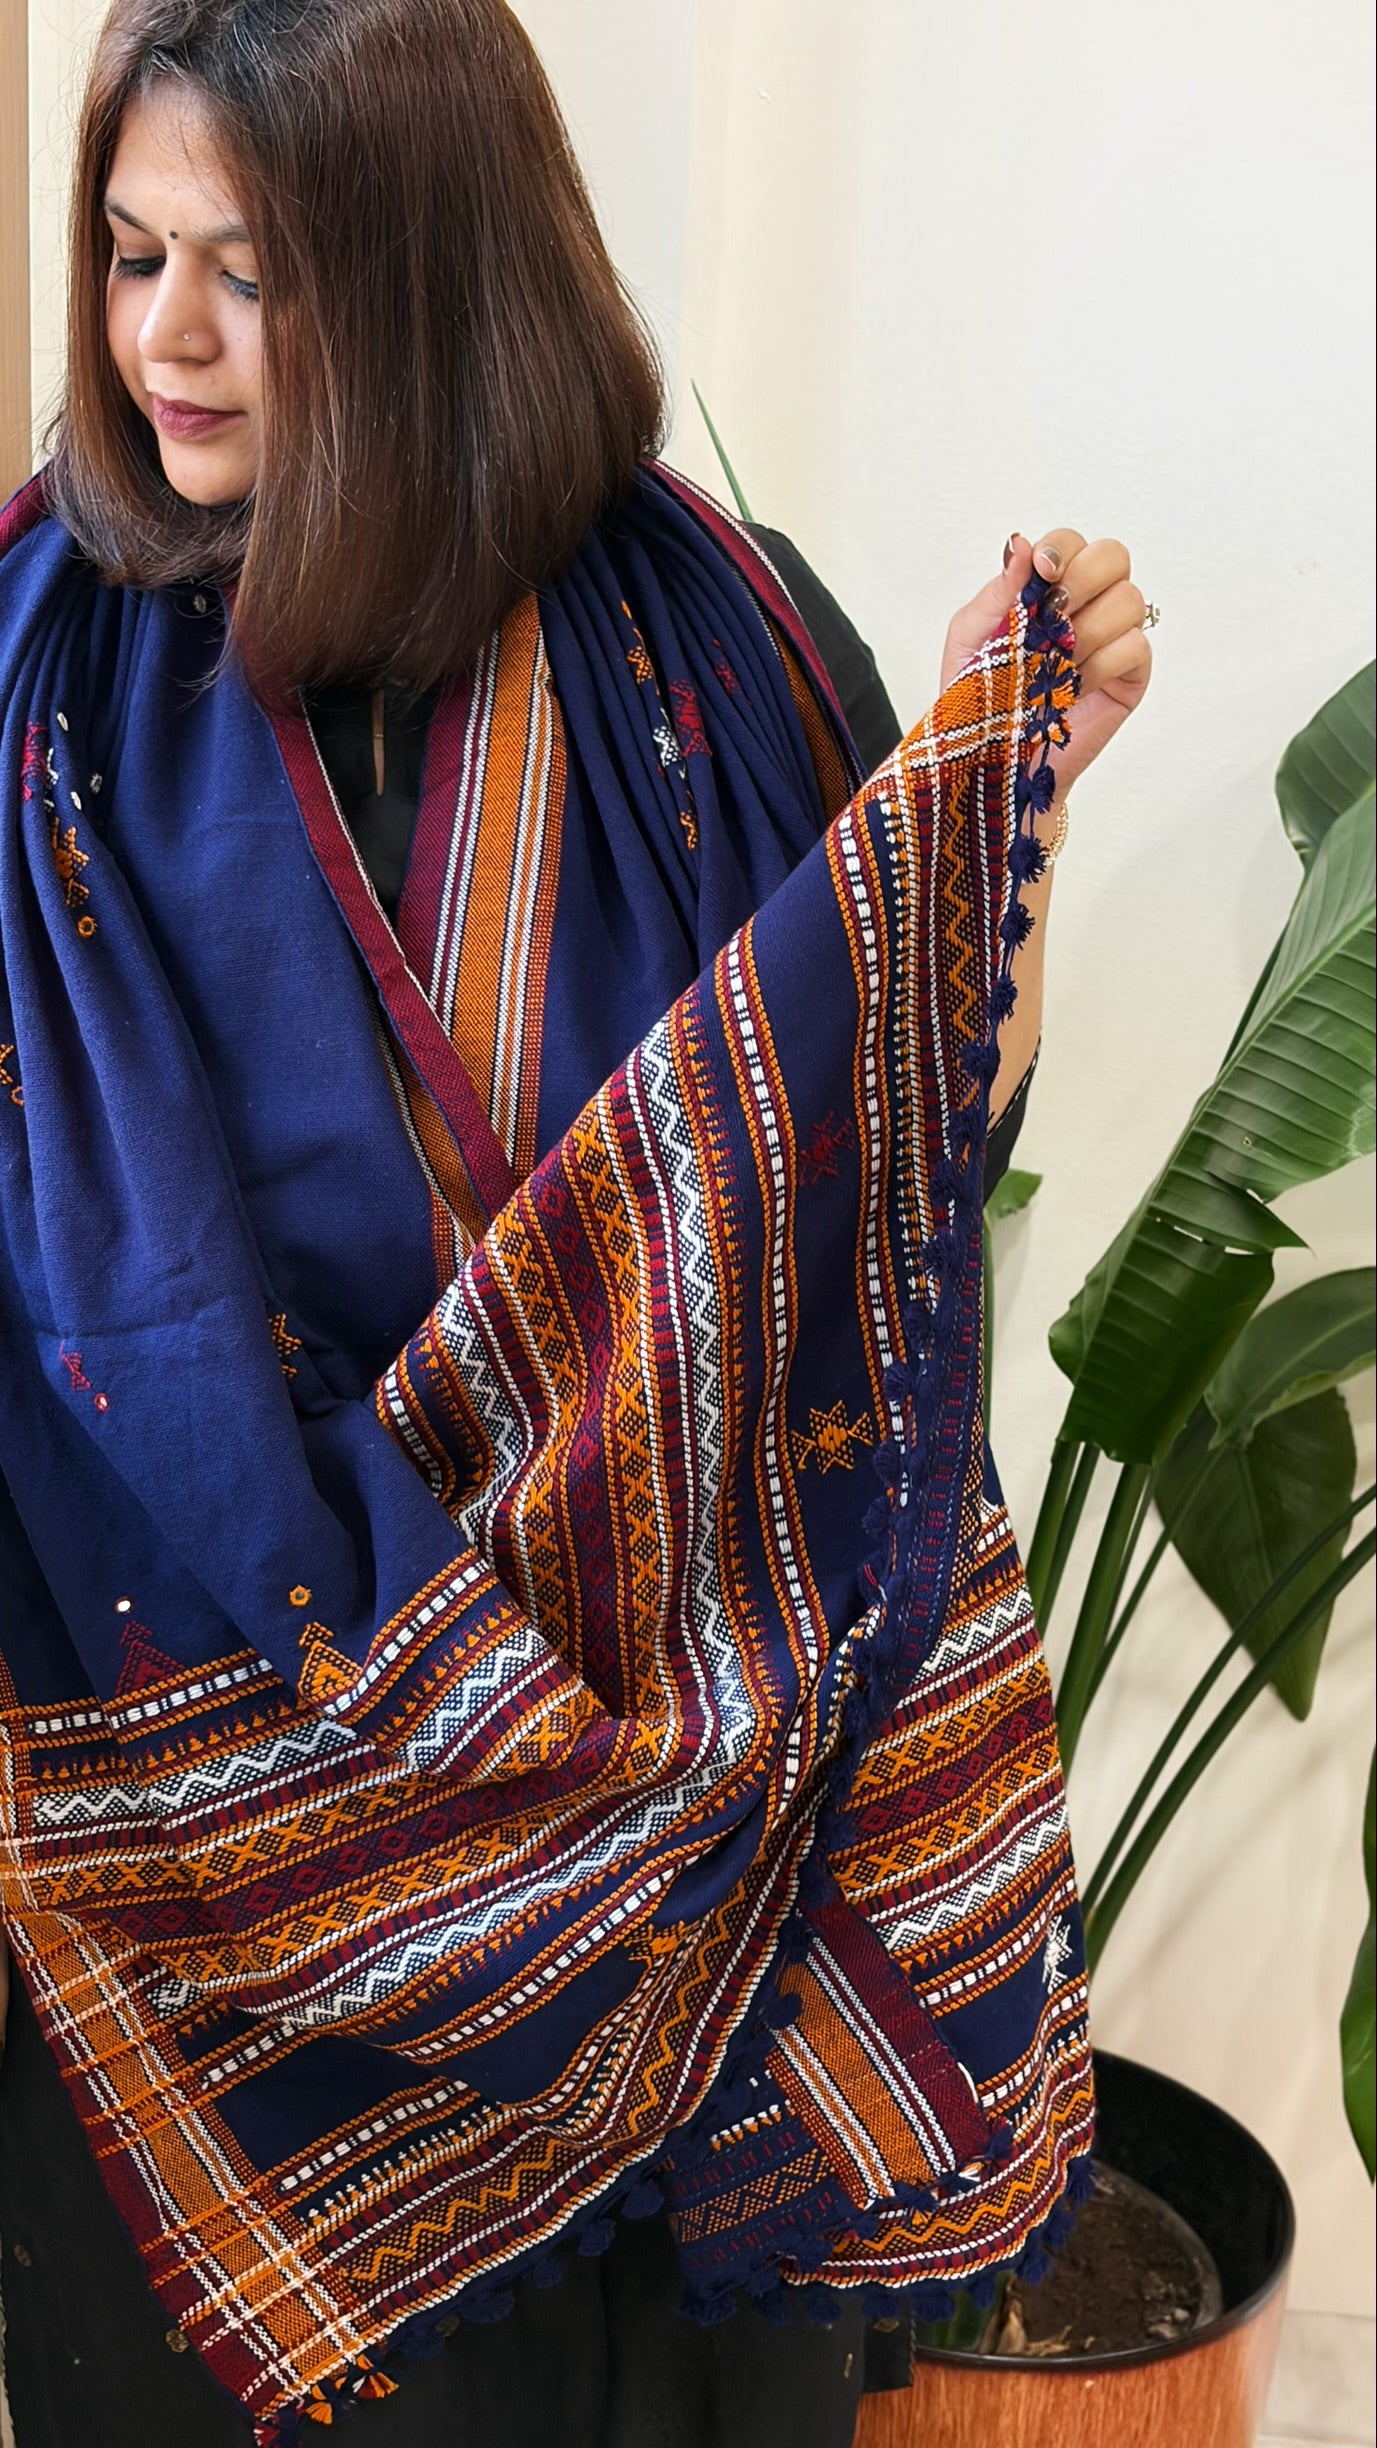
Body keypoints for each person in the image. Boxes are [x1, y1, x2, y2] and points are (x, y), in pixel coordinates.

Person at [0, 3, 1152, 2442]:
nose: (166, 337)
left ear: (436, 273)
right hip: (218, 1888)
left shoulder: (717, 641)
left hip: (692, 1834)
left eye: (254, 270)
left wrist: (1003, 805)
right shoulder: (35, 694)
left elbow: (901, 1168)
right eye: (130, 251)